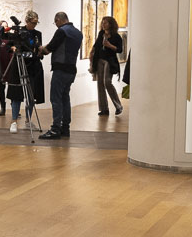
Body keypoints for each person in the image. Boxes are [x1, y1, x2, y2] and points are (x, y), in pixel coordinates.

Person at [38, 10, 84, 140]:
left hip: (60, 69)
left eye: (55, 22)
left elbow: (50, 48)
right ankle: (65, 128)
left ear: (58, 19)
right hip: (71, 70)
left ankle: (55, 129)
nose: (56, 25)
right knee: (65, 98)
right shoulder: (78, 33)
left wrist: (40, 48)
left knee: (56, 99)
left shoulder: (62, 31)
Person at [91, 16, 126, 117]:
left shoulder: (116, 36)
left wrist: (109, 45)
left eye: (105, 23)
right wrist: (91, 54)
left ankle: (118, 106)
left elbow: (119, 50)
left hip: (109, 61)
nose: (103, 24)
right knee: (100, 84)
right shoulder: (101, 34)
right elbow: (96, 45)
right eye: (102, 23)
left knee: (107, 82)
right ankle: (104, 109)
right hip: (99, 60)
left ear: (111, 24)